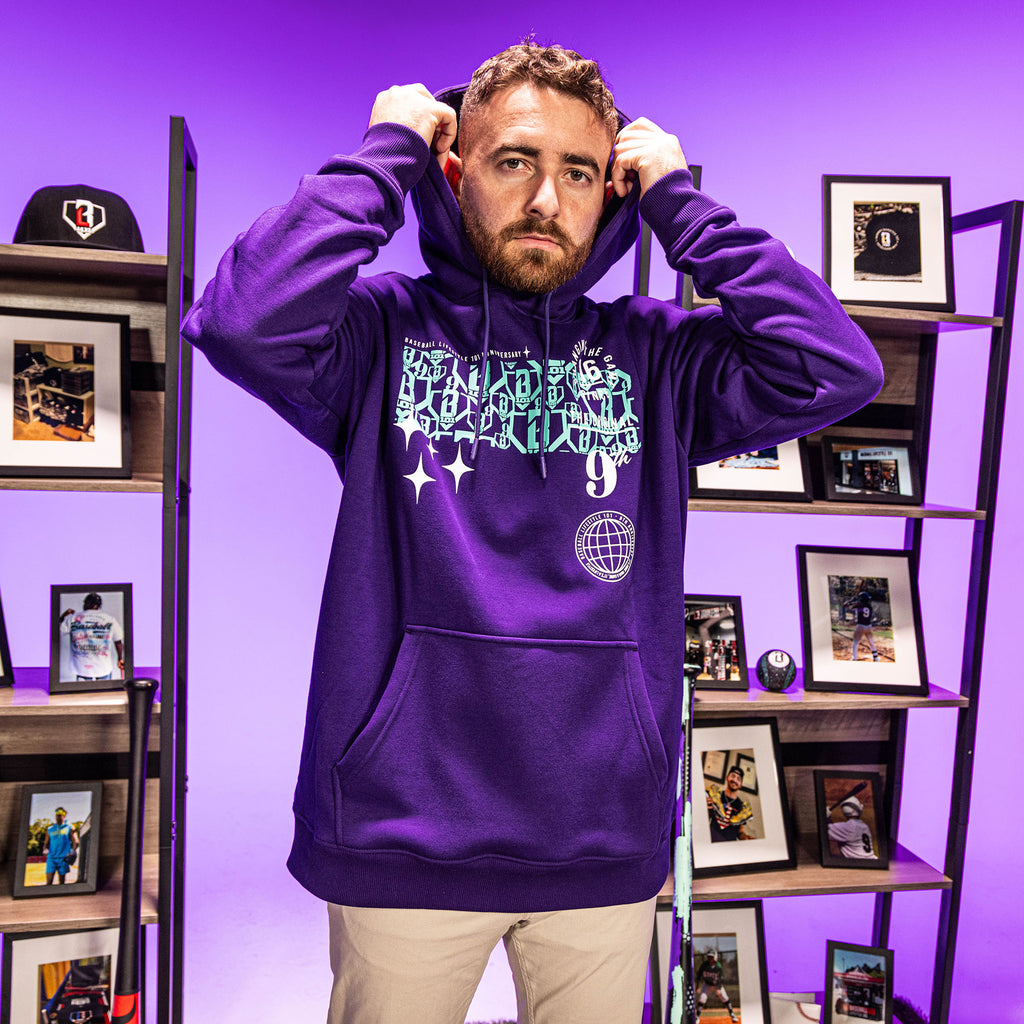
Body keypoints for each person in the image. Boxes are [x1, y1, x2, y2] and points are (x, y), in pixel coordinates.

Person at [183, 40, 883, 1024]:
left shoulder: (659, 358)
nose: (547, 200)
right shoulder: (378, 333)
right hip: (402, 835)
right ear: (456, 172)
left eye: (580, 171)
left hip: (602, 833)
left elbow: (835, 369)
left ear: (613, 191)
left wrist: (683, 207)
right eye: (514, 161)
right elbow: (242, 320)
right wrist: (387, 148)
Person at [58, 593, 125, 681]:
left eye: (85, 603)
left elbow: (58, 630)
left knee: (83, 694)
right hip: (103, 666)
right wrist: (120, 658)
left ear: (90, 604)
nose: (84, 605)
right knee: (105, 693)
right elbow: (118, 641)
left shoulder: (74, 618)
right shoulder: (110, 619)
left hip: (81, 666)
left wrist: (63, 616)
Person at [706, 763, 754, 842]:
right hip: (712, 841)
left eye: (738, 779)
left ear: (740, 785)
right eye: (733, 776)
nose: (735, 780)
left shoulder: (743, 807)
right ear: (727, 777)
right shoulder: (714, 796)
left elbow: (740, 832)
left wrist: (745, 837)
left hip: (729, 846)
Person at [694, 948, 739, 1022]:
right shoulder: (704, 965)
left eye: (711, 957)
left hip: (716, 984)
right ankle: (697, 1017)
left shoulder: (718, 966)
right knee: (702, 999)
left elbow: (721, 979)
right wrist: (697, 987)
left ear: (715, 957)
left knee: (725, 997)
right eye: (708, 956)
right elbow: (698, 976)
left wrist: (718, 989)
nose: (709, 958)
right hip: (707, 984)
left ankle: (732, 1015)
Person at [43, 806, 79, 884]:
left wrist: (72, 851)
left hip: (63, 858)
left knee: (61, 882)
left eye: (59, 815)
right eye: (56, 815)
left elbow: (76, 841)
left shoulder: (69, 827)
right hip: (51, 858)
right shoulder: (50, 829)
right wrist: (45, 849)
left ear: (64, 816)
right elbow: (46, 843)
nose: (57, 817)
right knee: (48, 882)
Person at [845, 585, 881, 662]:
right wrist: (854, 601)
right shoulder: (869, 607)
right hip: (869, 626)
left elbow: (845, 606)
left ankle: (854, 658)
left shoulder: (858, 605)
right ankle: (876, 657)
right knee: (871, 642)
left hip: (860, 626)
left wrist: (850, 601)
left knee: (855, 642)